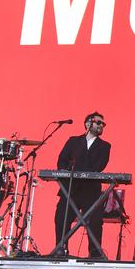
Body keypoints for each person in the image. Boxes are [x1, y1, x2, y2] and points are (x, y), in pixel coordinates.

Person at [53, 111, 111, 258]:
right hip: (71, 188)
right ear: (88, 124)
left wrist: (78, 169)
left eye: (103, 124)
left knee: (95, 221)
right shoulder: (73, 141)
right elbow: (62, 160)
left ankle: (94, 253)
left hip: (90, 190)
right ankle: (61, 249)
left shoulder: (105, 146)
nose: (101, 126)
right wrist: (67, 172)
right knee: (61, 216)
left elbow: (99, 166)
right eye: (98, 122)